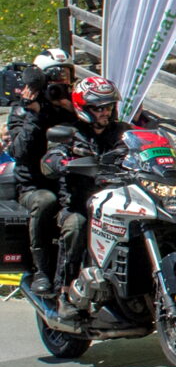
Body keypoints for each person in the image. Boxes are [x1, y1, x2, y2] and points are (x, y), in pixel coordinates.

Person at [42, 76, 130, 319]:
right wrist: (62, 162)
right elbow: (49, 159)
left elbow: (148, 144)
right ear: (84, 108)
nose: (104, 112)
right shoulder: (70, 133)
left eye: (108, 106)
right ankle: (64, 292)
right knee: (76, 226)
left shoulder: (123, 132)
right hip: (80, 205)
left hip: (118, 203)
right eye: (98, 107)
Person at [5, 49, 78, 295]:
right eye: (56, 74)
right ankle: (42, 271)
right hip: (34, 187)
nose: (62, 81)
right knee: (46, 201)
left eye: (66, 74)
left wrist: (73, 111)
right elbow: (19, 151)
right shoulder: (22, 110)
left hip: (73, 182)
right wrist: (35, 114)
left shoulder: (75, 105)